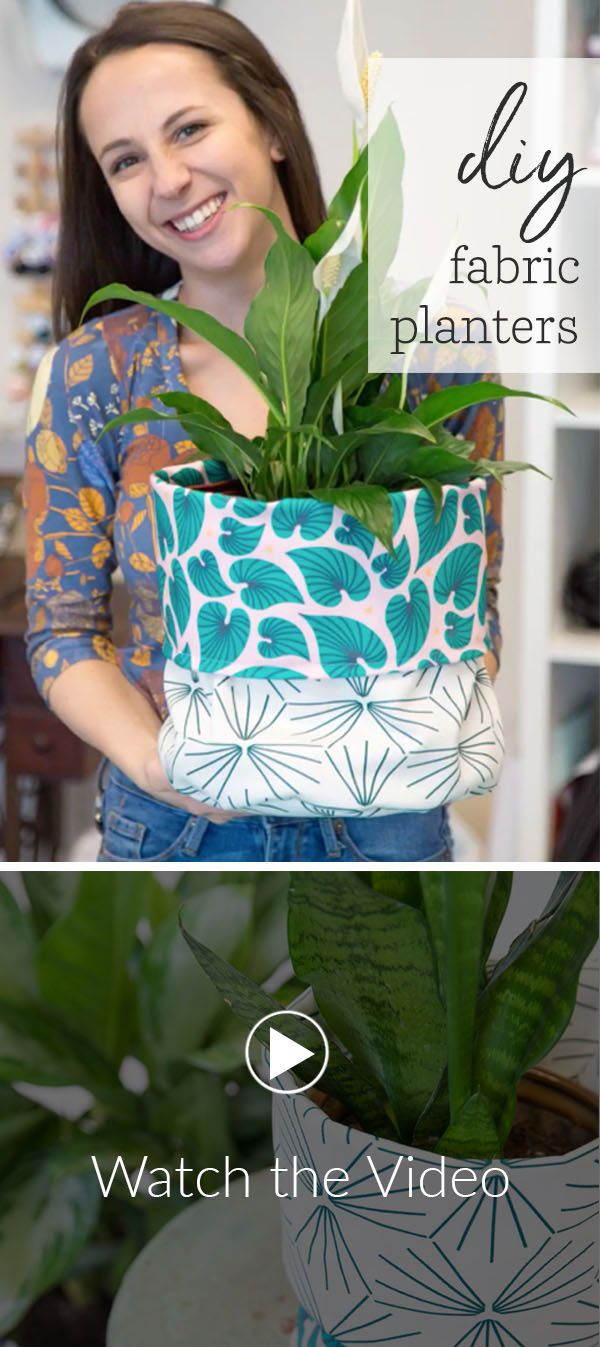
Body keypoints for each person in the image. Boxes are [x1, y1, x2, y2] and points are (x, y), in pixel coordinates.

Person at [24, 1, 504, 863]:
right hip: (179, 826)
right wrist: (155, 759)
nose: (167, 179)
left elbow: (469, 602)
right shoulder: (98, 372)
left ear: (272, 127)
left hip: (384, 827)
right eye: (126, 160)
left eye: (190, 129)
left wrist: (387, 741)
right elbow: (61, 629)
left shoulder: (424, 345)